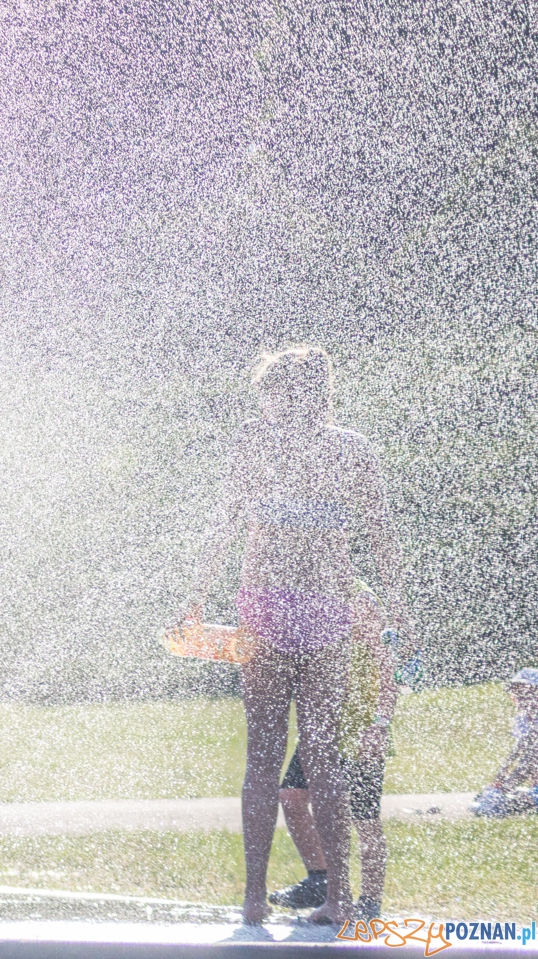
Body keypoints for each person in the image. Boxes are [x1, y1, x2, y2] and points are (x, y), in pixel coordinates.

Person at [176, 345, 417, 926]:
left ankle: (254, 900)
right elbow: (382, 537)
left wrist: (196, 593)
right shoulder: (352, 450)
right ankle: (337, 898)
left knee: (263, 755)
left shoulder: (255, 442)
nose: (267, 405)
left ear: (281, 394)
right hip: (327, 609)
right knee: (323, 754)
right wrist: (401, 607)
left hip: (266, 607)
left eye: (270, 393)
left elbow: (226, 519)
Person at [269, 579, 399, 921]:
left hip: (359, 736)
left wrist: (380, 724)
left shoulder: (357, 593)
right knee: (291, 796)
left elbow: (389, 674)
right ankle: (320, 880)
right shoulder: (307, 593)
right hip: (319, 732)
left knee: (363, 820)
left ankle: (370, 902)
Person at [470, 667, 538, 818]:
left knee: (505, 806)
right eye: (517, 693)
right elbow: (517, 752)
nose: (520, 697)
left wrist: (505, 787)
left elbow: (528, 762)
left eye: (527, 692)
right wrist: (497, 783)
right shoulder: (524, 719)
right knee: (495, 802)